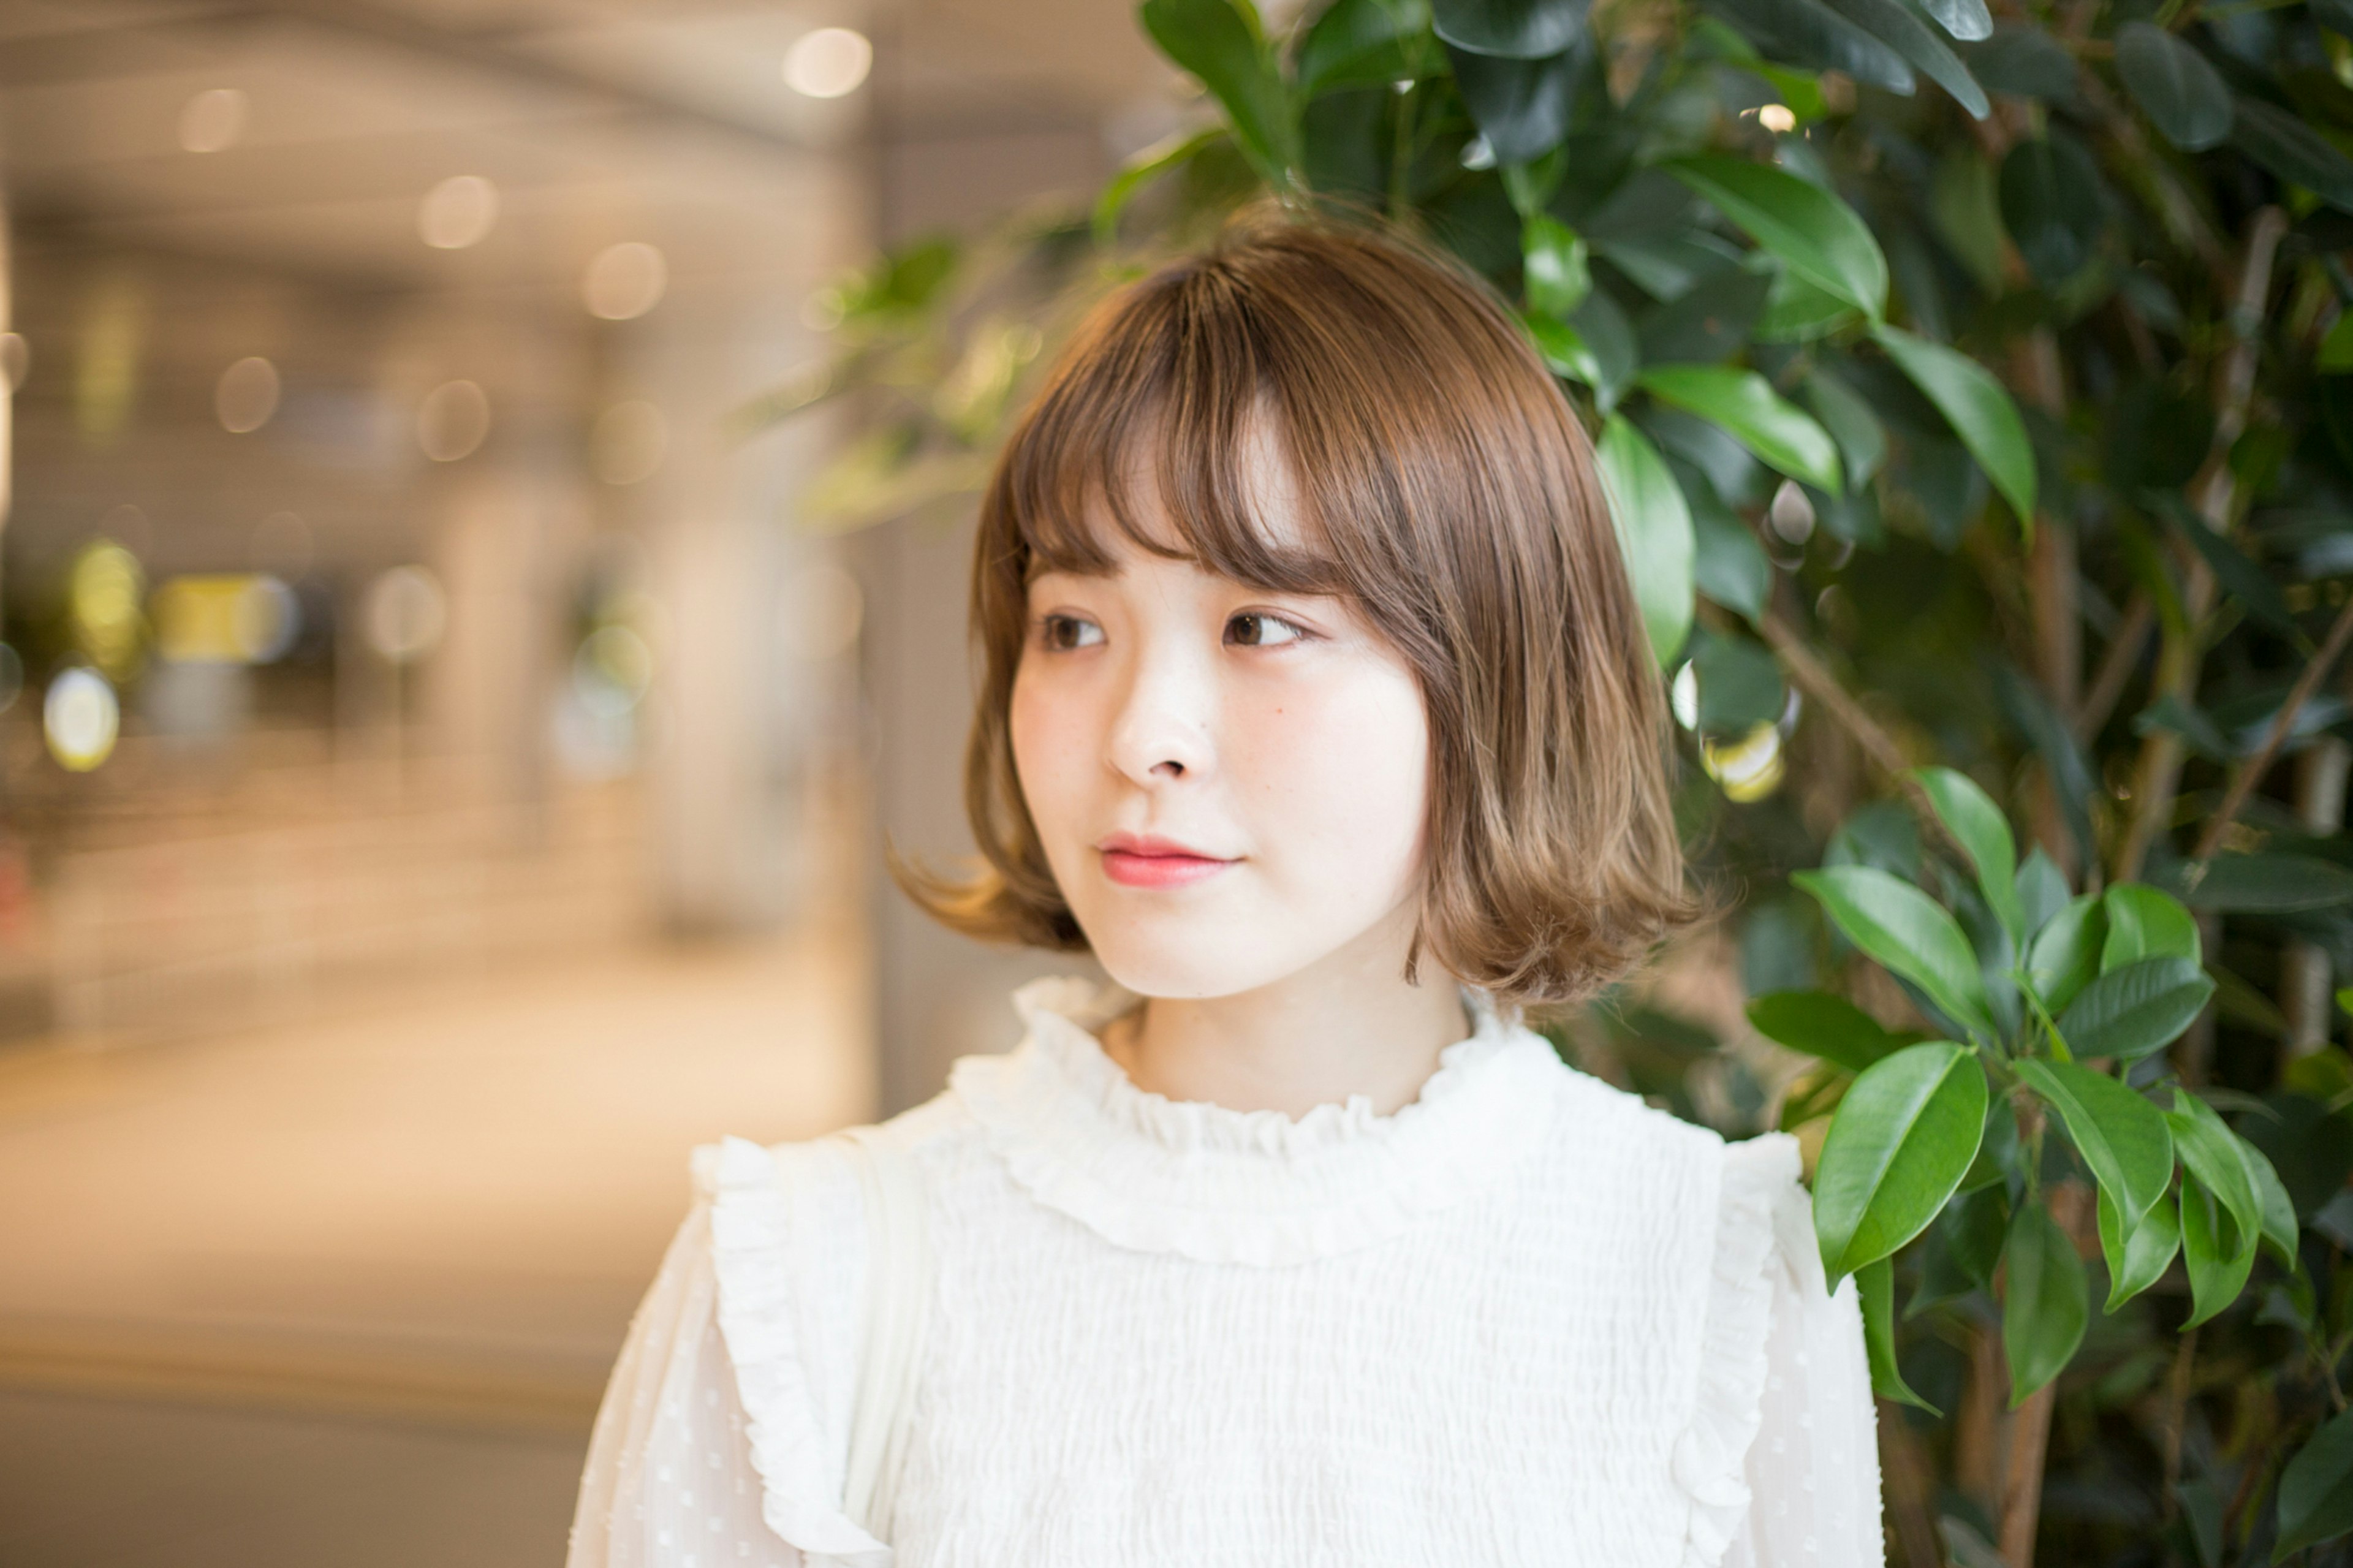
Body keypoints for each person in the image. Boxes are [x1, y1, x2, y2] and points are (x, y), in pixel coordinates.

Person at [566, 208, 1885, 1568]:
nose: (1142, 735)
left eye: (1263, 625)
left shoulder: (1718, 1277)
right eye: (1074, 625)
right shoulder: (799, 1281)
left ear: (1494, 666)